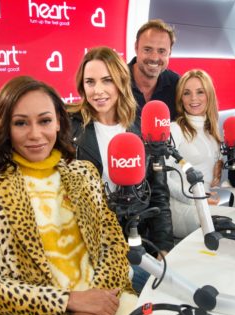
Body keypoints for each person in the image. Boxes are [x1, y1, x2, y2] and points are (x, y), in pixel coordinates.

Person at [0, 75, 137, 315]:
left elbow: (114, 248)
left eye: (44, 121)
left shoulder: (83, 174)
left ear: (58, 122)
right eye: (20, 123)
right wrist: (70, 300)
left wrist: (99, 306)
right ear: (4, 127)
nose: (35, 134)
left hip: (106, 301)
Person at [69, 46, 174, 293]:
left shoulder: (141, 127)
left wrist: (164, 247)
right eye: (90, 82)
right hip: (91, 250)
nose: (98, 91)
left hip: (136, 242)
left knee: (167, 291)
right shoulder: (69, 127)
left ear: (121, 82)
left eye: (107, 80)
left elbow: (159, 192)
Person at [167, 69, 223, 238]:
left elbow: (211, 178)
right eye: (187, 93)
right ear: (180, 98)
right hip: (181, 208)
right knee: (223, 226)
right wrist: (194, 199)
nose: (193, 99)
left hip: (205, 204)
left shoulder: (213, 132)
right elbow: (162, 179)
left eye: (200, 92)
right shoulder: (174, 129)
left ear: (209, 95)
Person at [129, 18, 180, 122]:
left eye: (161, 51)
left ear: (170, 53)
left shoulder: (177, 84)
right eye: (147, 49)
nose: (154, 58)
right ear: (136, 47)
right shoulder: (115, 80)